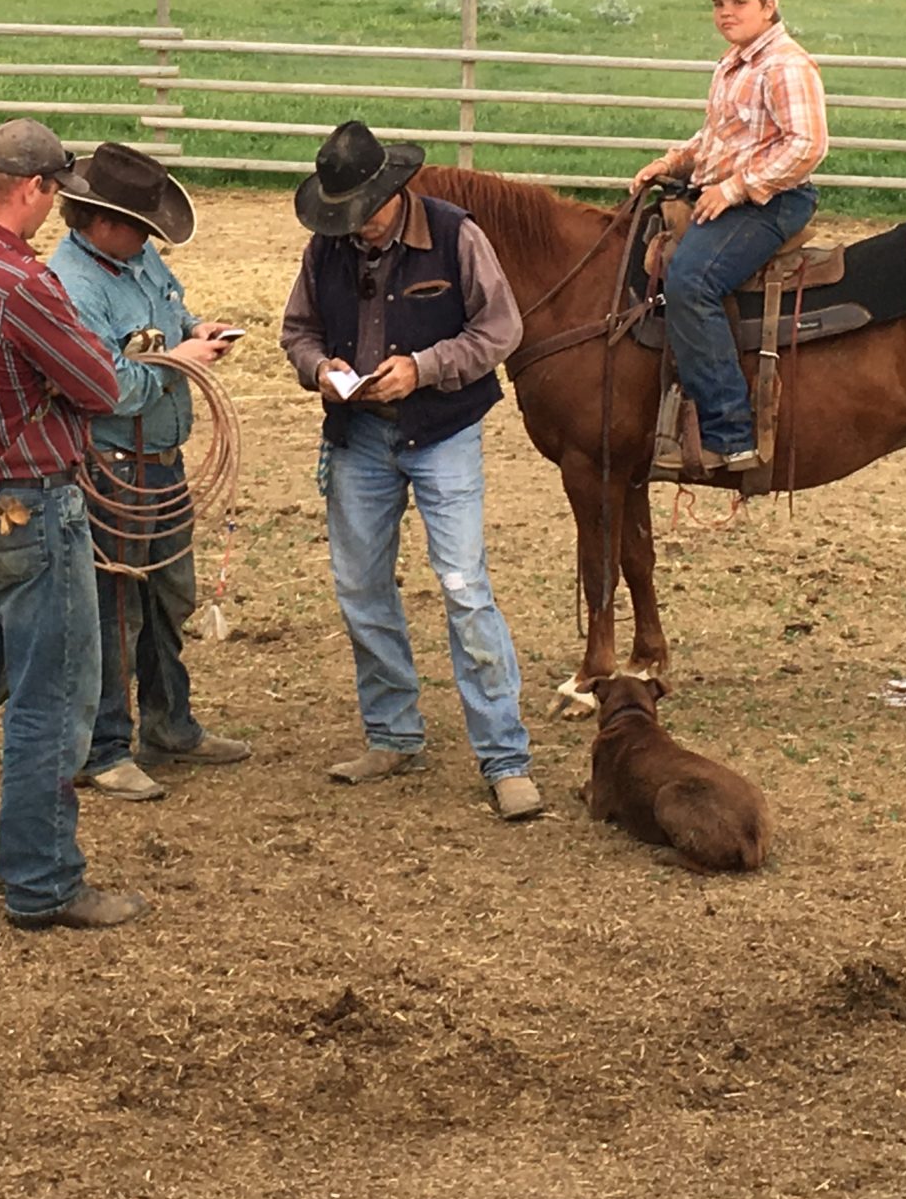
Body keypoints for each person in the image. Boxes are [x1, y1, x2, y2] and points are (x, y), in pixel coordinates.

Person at [0, 117, 144, 932]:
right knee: (52, 701)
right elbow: (98, 385)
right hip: (34, 509)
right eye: (55, 194)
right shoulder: (23, 282)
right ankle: (43, 884)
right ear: (33, 189)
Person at [279, 119, 543, 822]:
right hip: (358, 431)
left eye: (362, 214)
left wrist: (425, 369)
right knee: (361, 586)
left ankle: (505, 756)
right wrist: (320, 368)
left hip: (442, 431)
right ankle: (393, 732)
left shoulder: (459, 237)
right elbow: (297, 329)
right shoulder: (326, 247)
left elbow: (500, 330)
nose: (354, 228)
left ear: (392, 195)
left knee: (465, 587)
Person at [46, 142, 252, 802]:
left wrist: (194, 328)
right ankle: (104, 747)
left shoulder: (136, 258)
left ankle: (169, 722)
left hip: (158, 465)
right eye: (140, 224)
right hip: (110, 469)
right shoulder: (73, 287)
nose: (149, 237)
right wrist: (184, 361)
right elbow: (105, 389)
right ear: (99, 220)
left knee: (166, 596)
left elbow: (166, 317)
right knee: (115, 607)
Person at [628, 0, 830, 471]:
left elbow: (806, 146)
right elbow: (718, 135)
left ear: (769, 6)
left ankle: (729, 431)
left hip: (773, 201)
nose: (725, 12)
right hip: (728, 191)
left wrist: (737, 188)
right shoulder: (735, 61)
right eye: (720, 3)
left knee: (691, 281)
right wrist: (673, 161)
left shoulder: (784, 65)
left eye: (739, 2)